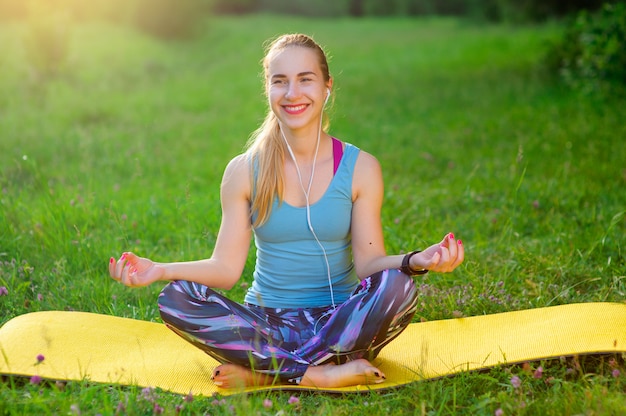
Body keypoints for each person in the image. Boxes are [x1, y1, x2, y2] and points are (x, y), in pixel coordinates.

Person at [109, 33, 464, 389]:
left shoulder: (361, 168)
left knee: (397, 286)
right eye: (280, 82)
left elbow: (370, 266)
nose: (292, 93)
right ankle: (316, 374)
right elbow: (226, 269)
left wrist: (418, 260)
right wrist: (159, 270)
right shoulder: (244, 171)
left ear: (327, 87)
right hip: (266, 326)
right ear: (268, 90)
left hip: (340, 324)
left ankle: (265, 372)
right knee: (176, 298)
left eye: (305, 79)